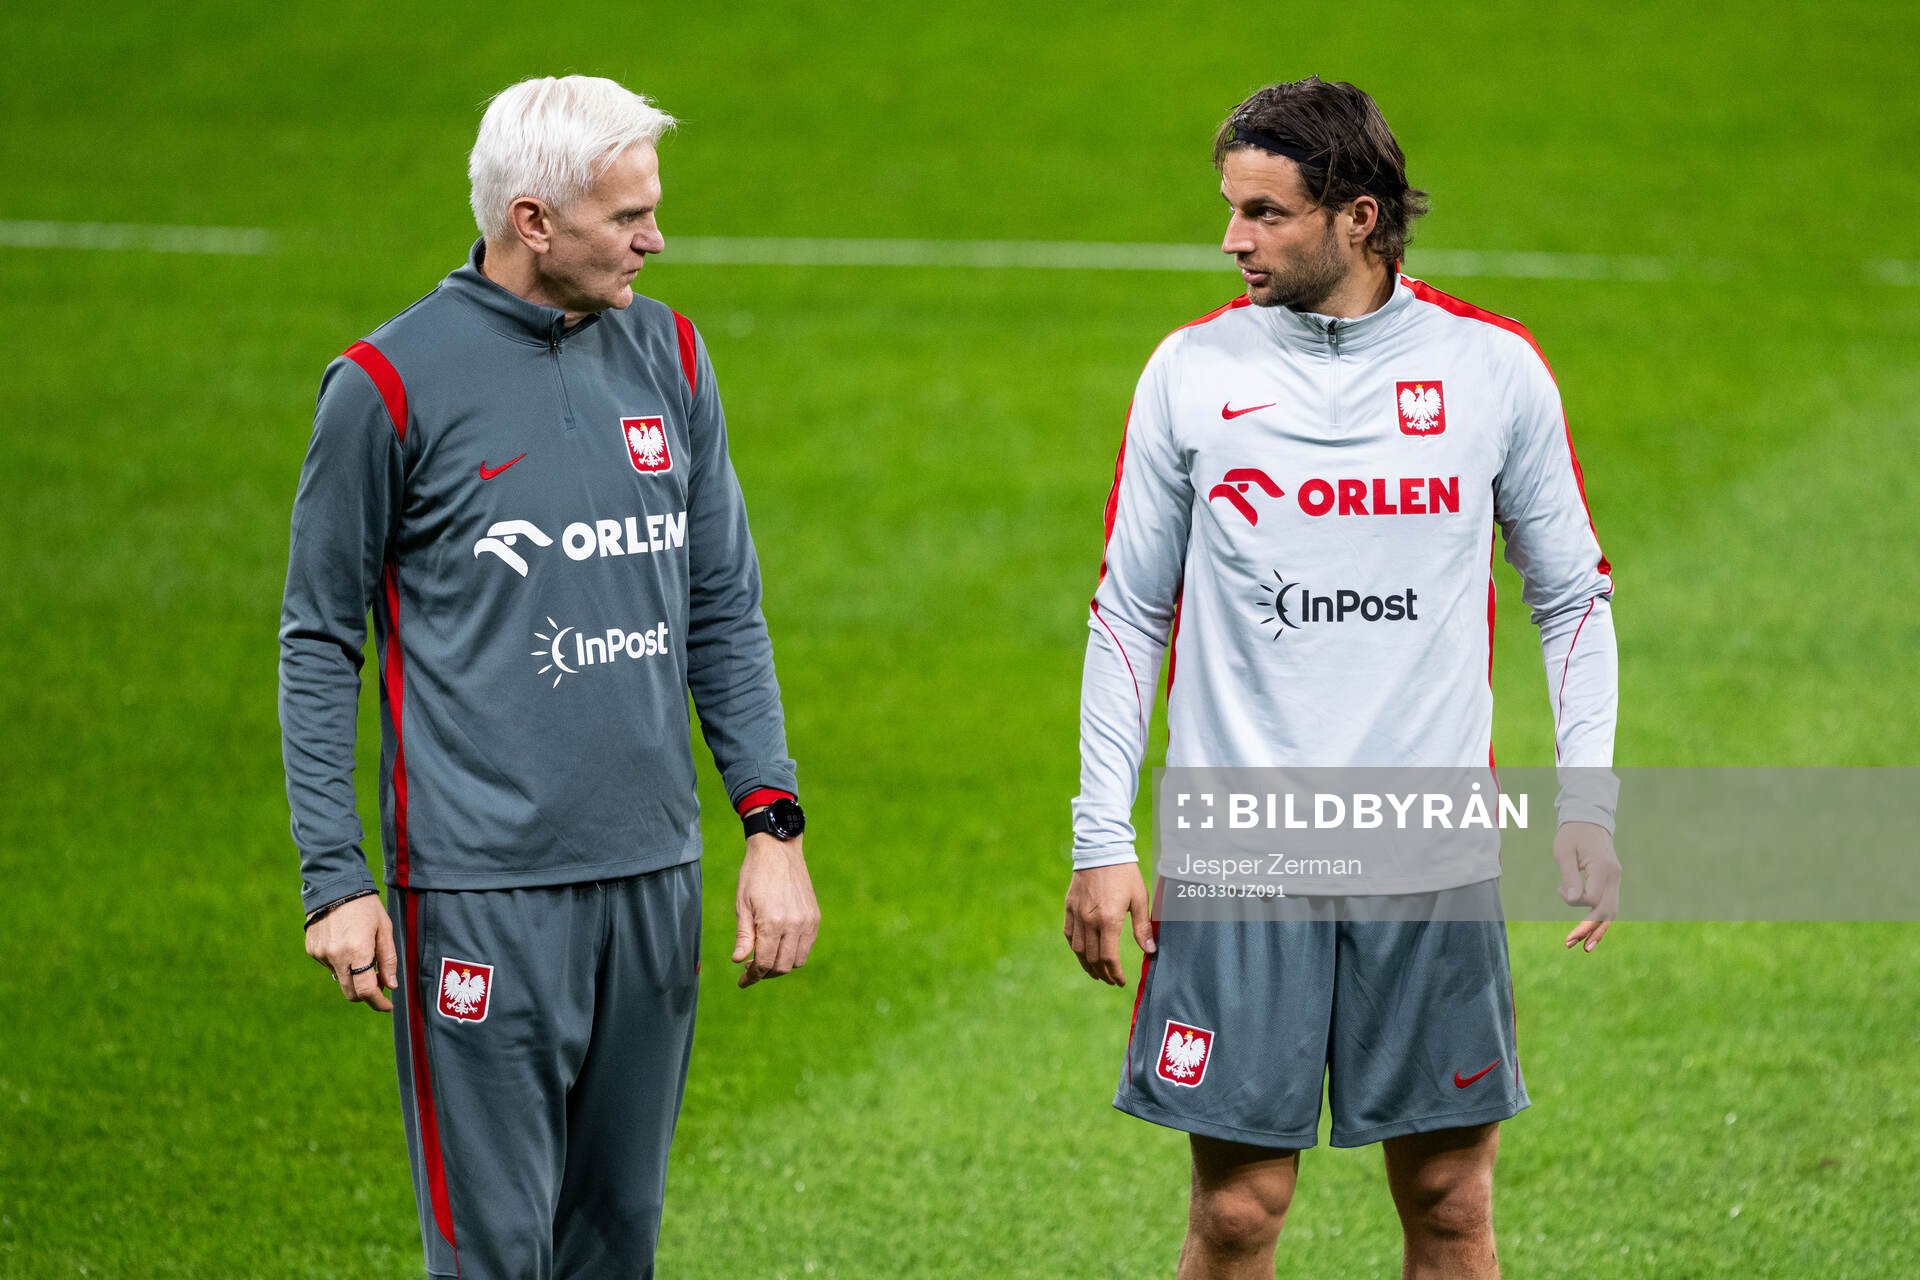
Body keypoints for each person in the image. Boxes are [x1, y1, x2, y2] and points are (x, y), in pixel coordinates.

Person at [1063, 77, 1620, 1279]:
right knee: (1238, 1211)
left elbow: (1574, 593)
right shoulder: (1191, 371)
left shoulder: (1491, 370)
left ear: (1358, 217)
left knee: (1451, 1203)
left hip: (1425, 845)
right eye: (1231, 208)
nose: (1233, 238)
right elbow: (1129, 611)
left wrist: (1588, 796)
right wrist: (1099, 834)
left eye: (1264, 212)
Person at [279, 75, 819, 1279]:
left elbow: (722, 605)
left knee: (615, 1240)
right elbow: (318, 636)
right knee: (493, 1252)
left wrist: (771, 821)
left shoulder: (671, 353)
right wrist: (335, 880)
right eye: (628, 216)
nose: (655, 238)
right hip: (481, 891)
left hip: (653, 875)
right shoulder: (386, 386)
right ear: (533, 220)